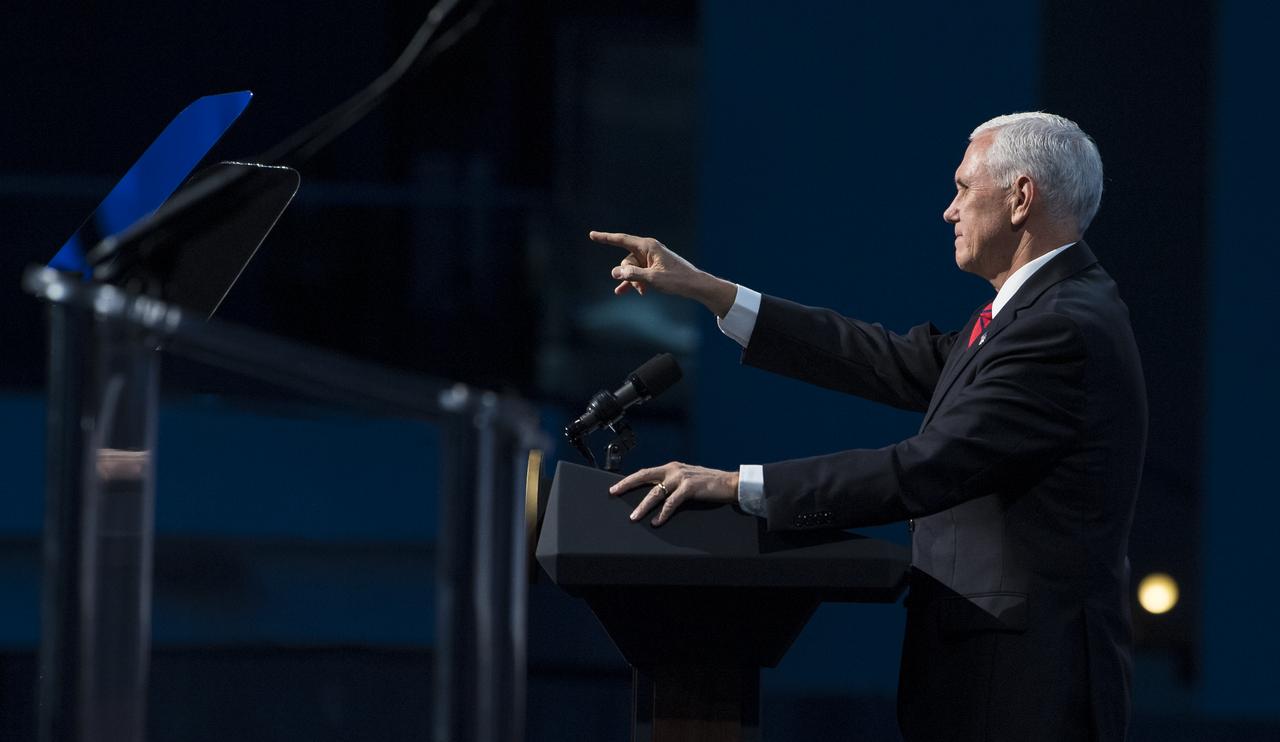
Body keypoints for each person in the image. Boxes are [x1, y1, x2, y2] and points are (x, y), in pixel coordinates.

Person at [590, 112, 1147, 741]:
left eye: (963, 188)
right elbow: (886, 359)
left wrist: (738, 485)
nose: (949, 210)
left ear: (1021, 197)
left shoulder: (1062, 326)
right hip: (993, 677)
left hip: (1023, 689)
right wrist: (712, 292)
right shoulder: (1036, 309)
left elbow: (928, 466)